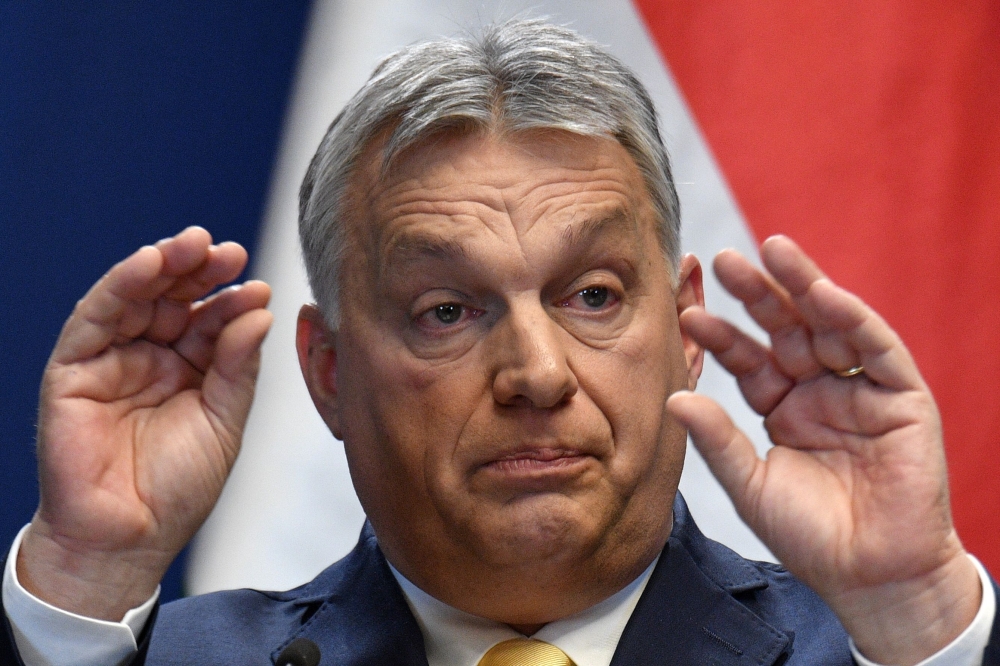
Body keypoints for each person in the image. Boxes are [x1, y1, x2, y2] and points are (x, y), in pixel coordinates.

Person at [1, 19, 996, 666]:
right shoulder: (160, 660)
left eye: (594, 295)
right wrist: (87, 579)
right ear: (329, 373)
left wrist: (912, 615)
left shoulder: (883, 651)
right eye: (447, 311)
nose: (536, 373)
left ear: (688, 332)